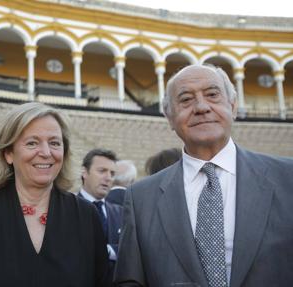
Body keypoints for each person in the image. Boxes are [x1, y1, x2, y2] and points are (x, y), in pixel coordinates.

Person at [114, 64, 293, 286]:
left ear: (233, 106)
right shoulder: (140, 198)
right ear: (169, 118)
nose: (201, 107)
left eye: (212, 95)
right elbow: (130, 280)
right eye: (186, 99)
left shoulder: (287, 178)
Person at [0, 102, 109, 287]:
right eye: (32, 143)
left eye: (55, 143)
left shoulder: (86, 215)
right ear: (8, 153)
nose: (46, 153)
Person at [78, 149, 123, 284]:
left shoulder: (121, 213)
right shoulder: (66, 209)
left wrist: (109, 251)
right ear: (84, 172)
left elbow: (131, 249)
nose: (108, 177)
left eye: (112, 173)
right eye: (102, 171)